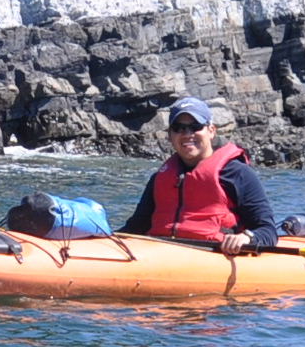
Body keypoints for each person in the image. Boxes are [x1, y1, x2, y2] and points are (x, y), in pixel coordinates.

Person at [118, 97, 280, 254]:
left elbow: (267, 230)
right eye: (179, 128)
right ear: (170, 135)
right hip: (162, 252)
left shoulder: (238, 174)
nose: (187, 134)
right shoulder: (159, 178)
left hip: (213, 255)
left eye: (195, 126)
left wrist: (246, 238)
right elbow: (135, 228)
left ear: (211, 131)